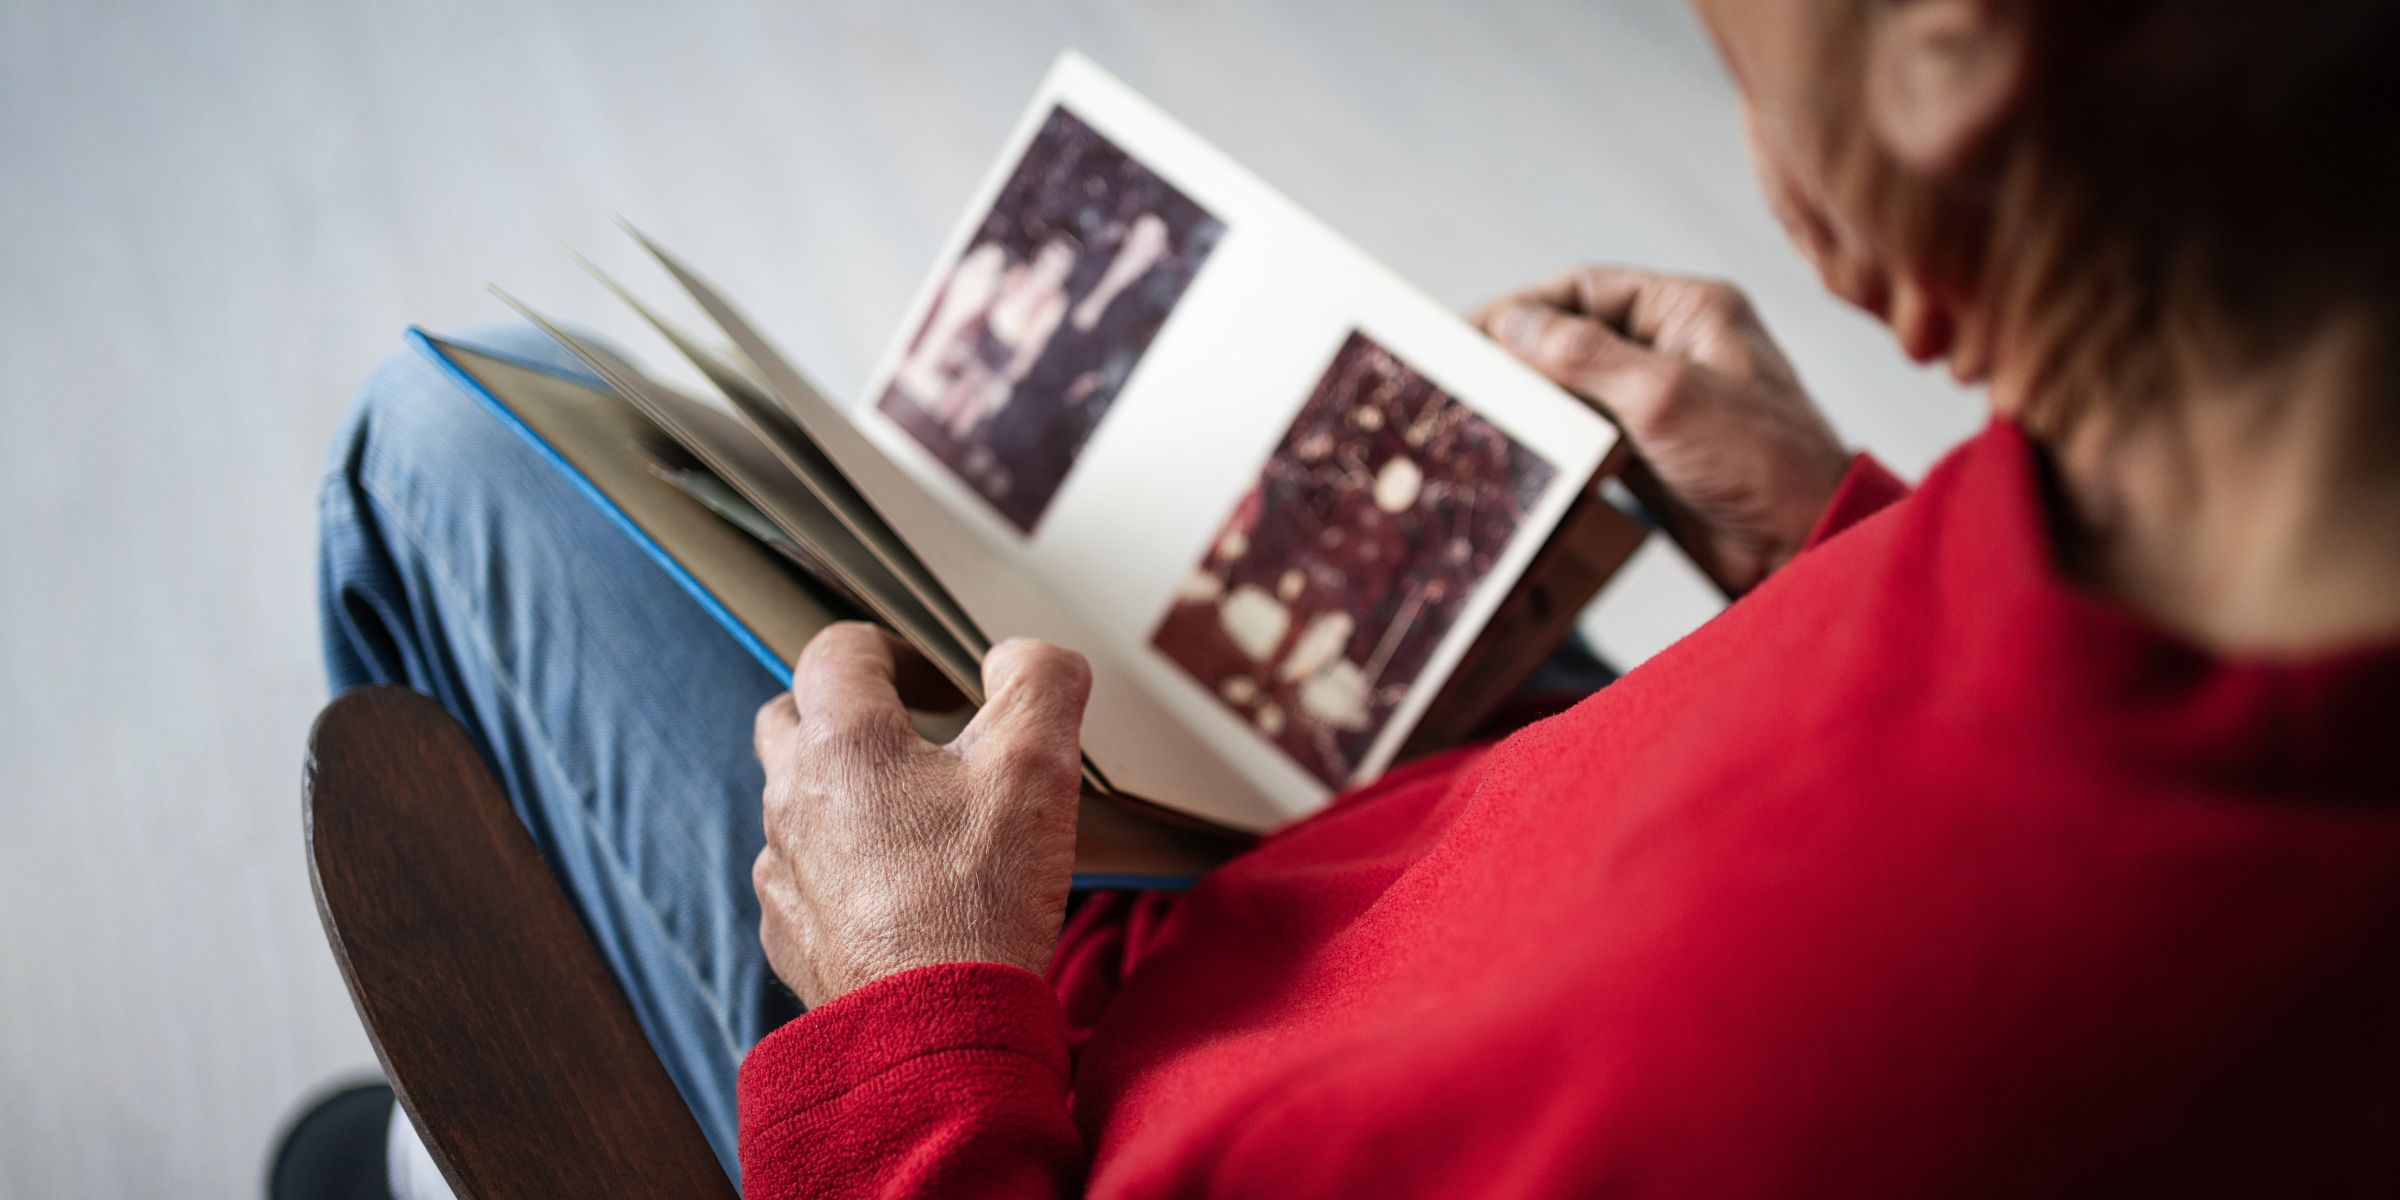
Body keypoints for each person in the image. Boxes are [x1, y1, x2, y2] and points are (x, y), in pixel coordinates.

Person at [294, 0, 2400, 1195]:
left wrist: (907, 1012)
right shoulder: (2260, 507)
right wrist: (1842, 540)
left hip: (1018, 1081)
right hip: (1367, 901)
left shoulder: (1864, 1068)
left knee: (445, 444)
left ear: (1952, 42)